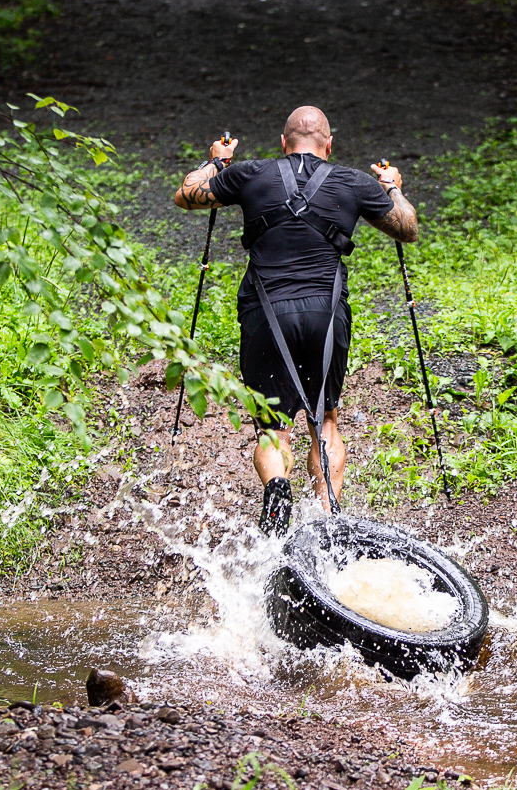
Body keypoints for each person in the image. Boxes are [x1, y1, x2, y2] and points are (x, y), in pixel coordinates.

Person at [173, 105, 419, 533]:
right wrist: (392, 188)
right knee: (324, 420)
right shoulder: (353, 182)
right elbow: (407, 229)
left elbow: (186, 194)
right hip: (325, 317)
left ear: (283, 144)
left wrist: (216, 161)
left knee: (273, 428)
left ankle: (277, 492)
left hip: (265, 315)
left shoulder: (249, 173)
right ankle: (328, 517)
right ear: (328, 145)